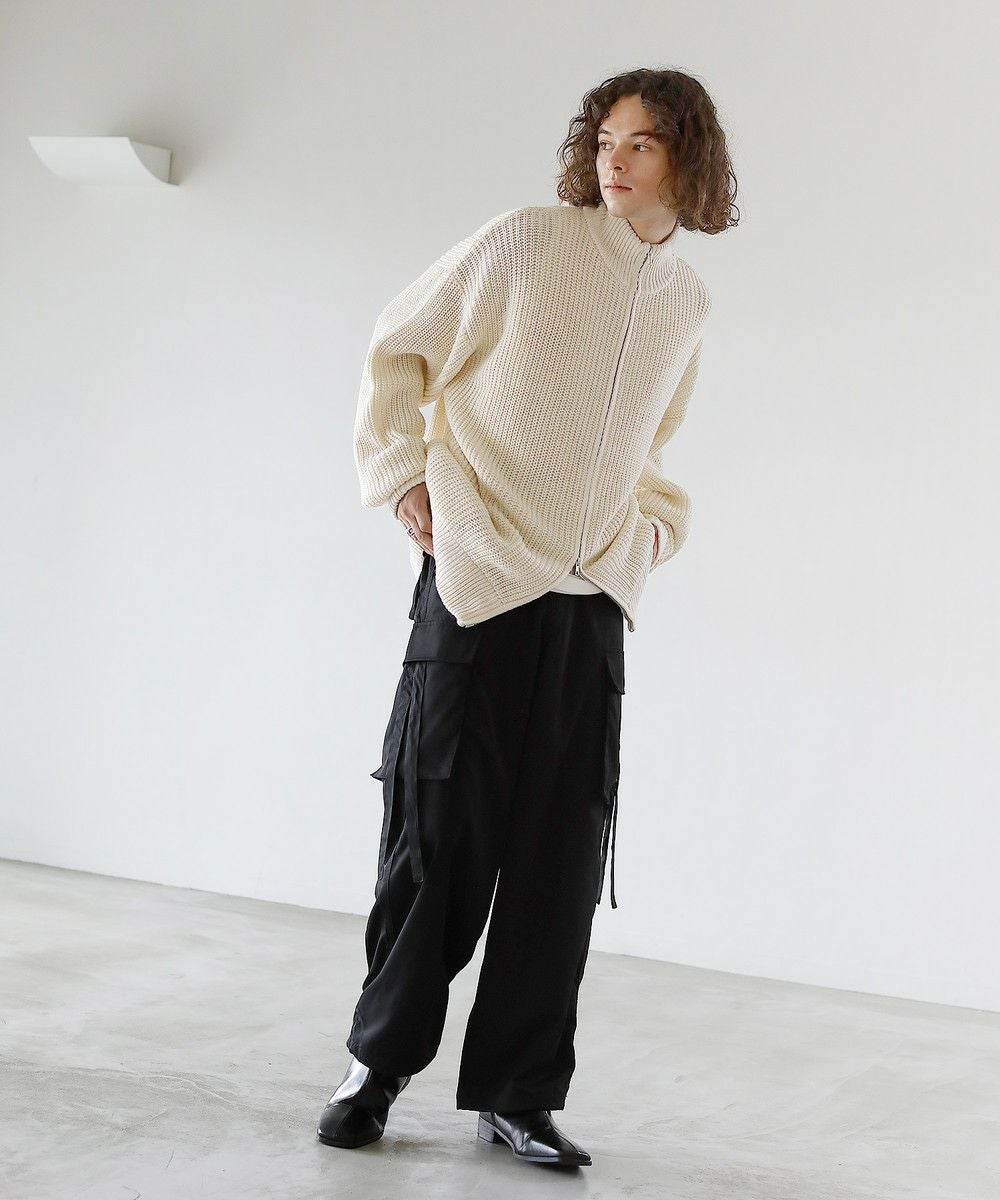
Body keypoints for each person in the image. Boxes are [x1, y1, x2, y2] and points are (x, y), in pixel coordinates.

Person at [317, 66, 738, 1168]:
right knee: (437, 838)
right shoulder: (525, 243)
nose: (614, 160)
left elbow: (651, 450)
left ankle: (518, 1094)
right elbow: (398, 346)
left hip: (589, 608)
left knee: (560, 861)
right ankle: (374, 1070)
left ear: (686, 158)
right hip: (478, 585)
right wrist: (402, 472)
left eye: (641, 143)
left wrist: (651, 535)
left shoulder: (685, 302)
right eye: (604, 140)